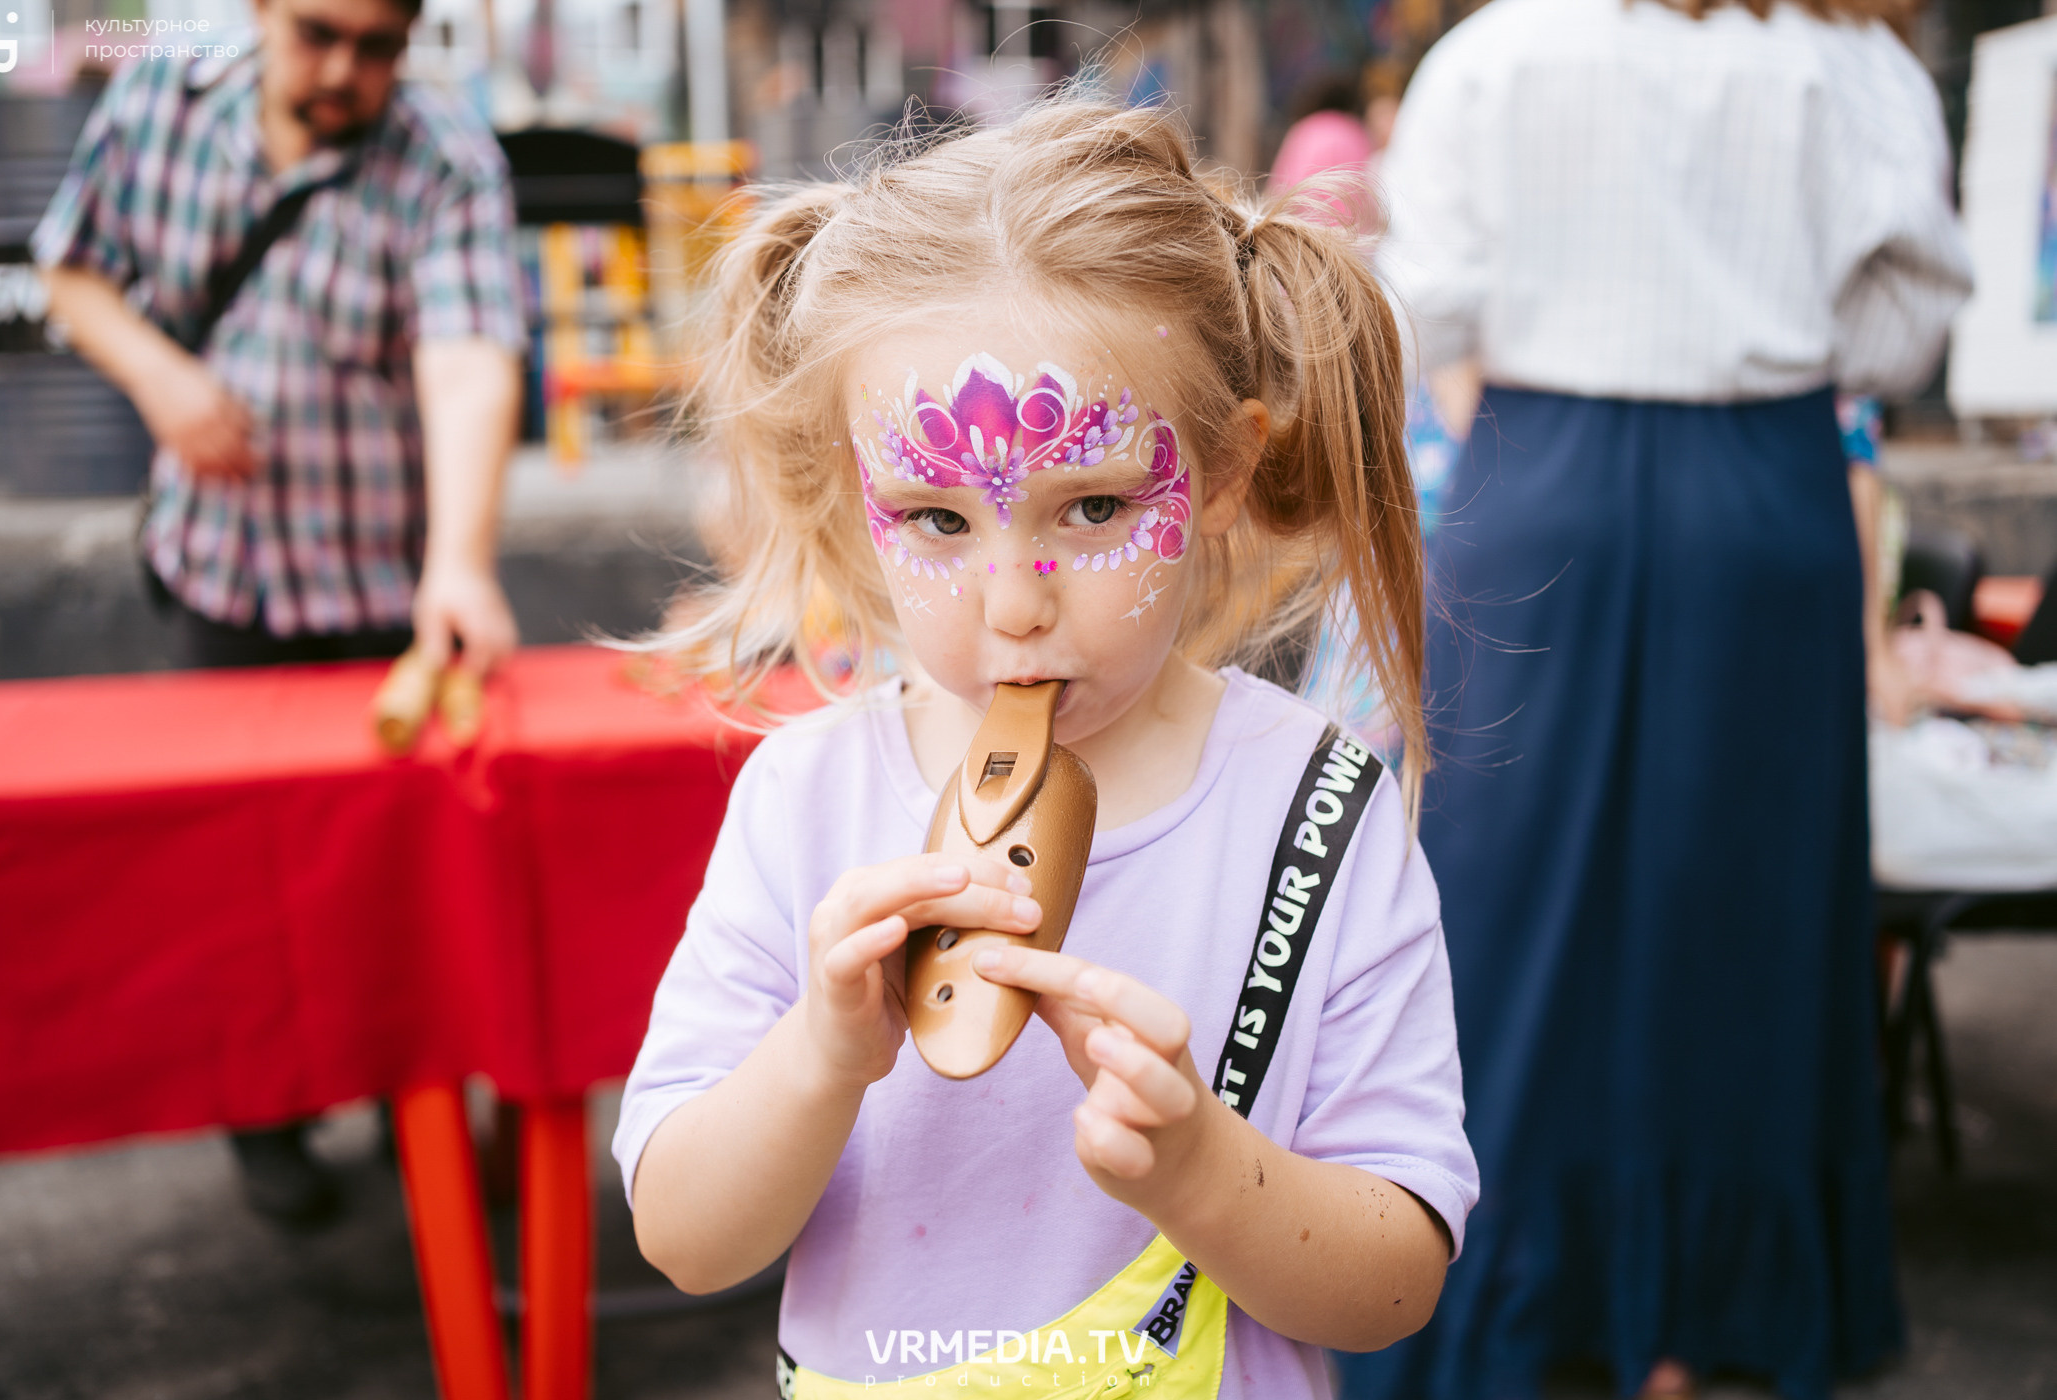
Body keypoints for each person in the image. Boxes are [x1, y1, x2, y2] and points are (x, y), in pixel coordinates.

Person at [610, 99, 1478, 1397]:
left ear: (1224, 472)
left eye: (1091, 506)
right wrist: (824, 1056)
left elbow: (1397, 1282)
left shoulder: (1318, 810)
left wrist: (1200, 1168)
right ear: (856, 487)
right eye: (937, 518)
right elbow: (682, 1235)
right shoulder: (811, 799)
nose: (1014, 600)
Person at [1338, 0, 1972, 1396]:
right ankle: (1710, 1306)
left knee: (1506, 916)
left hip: (1544, 479)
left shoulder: (1495, 55)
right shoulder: (1850, 63)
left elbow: (1427, 302)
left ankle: (1496, 1284)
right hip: (1768, 494)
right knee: (1748, 916)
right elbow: (1904, 320)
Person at [33, 0, 527, 1223]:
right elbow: (72, 267)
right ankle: (268, 1114)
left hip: (387, 594)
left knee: (405, 882)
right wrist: (159, 373)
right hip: (223, 572)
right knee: (240, 878)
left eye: (380, 45)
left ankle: (430, 1112)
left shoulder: (445, 152)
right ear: (258, 8)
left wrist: (460, 561)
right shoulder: (159, 98)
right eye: (319, 33)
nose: (345, 71)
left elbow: (469, 357)